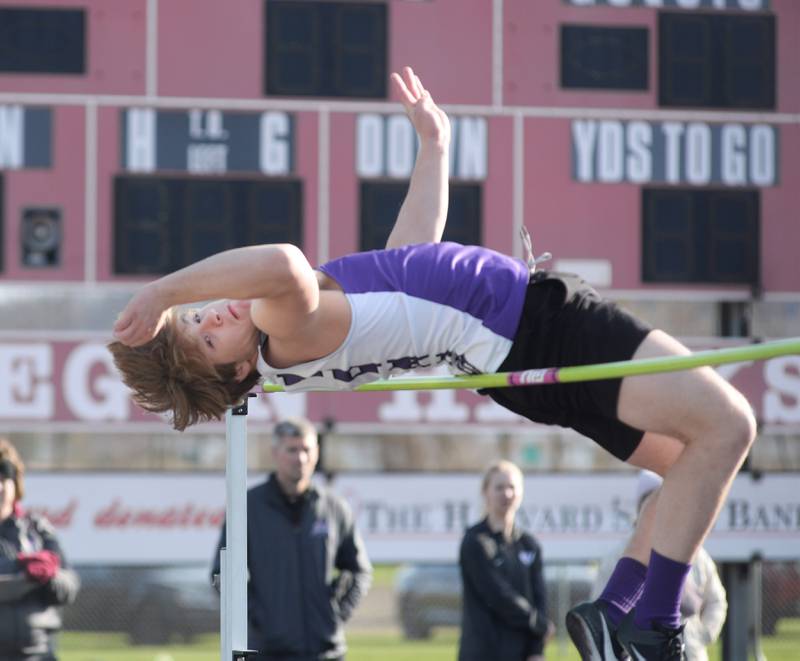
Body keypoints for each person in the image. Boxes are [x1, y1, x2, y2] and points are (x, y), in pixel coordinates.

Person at [110, 65, 756, 660]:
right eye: (207, 338)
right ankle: (654, 624)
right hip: (539, 328)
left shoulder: (303, 335)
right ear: (234, 372)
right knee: (729, 425)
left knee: (684, 465)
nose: (214, 316)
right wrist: (166, 292)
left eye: (201, 316)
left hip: (516, 357)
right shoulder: (284, 325)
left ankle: (614, 608)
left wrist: (434, 151)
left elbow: (410, 260)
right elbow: (281, 260)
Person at [210, 417, 372, 661]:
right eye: (292, 450)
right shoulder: (247, 507)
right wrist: (257, 619)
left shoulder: (334, 507)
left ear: (317, 452)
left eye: (307, 449)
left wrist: (335, 613)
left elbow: (359, 571)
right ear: (275, 453)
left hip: (326, 652)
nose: (301, 458)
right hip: (268, 653)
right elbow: (221, 575)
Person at [585, 471, 727, 661]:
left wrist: (704, 634)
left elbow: (716, 600)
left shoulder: (696, 554)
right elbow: (602, 607)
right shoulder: (619, 557)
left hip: (690, 653)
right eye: (652, 505)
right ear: (641, 510)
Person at [458, 460, 551, 661]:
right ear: (486, 492)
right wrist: (537, 623)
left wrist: (537, 650)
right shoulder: (475, 541)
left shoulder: (529, 544)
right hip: (483, 652)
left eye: (512, 487)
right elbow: (496, 594)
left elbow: (540, 598)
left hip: (522, 653)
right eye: (499, 487)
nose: (506, 494)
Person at [0, 438, 80, 661]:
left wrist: (49, 575)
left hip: (40, 653)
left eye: (4, 477)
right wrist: (23, 568)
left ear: (15, 484)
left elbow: (69, 586)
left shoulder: (37, 529)